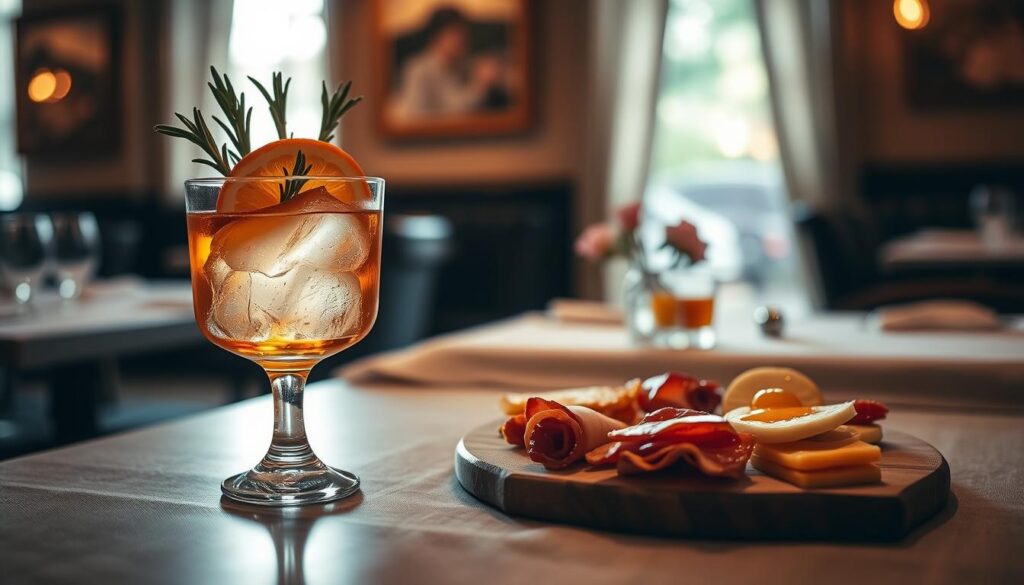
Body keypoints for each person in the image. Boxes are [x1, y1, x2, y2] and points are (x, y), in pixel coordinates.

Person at [392, 6, 507, 121]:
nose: (462, 41)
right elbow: (417, 117)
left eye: (464, 35)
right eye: (455, 34)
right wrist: (480, 87)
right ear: (437, 37)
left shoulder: (465, 65)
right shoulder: (418, 70)